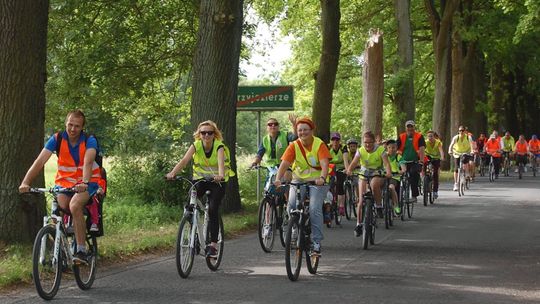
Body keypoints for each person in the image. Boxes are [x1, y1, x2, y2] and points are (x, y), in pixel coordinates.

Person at [19, 110, 102, 264]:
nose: (72, 129)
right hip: (64, 183)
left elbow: (89, 162)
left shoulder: (90, 140)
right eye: (70, 124)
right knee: (63, 206)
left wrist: (84, 182)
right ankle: (64, 241)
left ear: (82, 127)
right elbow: (39, 161)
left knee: (75, 205)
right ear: (65, 123)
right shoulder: (57, 139)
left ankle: (81, 250)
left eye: (77, 126)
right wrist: (26, 182)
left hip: (88, 183)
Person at [166, 120, 235, 258]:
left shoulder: (219, 147)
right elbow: (184, 160)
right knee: (190, 204)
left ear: (214, 134)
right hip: (200, 180)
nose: (206, 135)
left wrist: (220, 175)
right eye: (203, 133)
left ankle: (213, 245)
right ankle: (193, 235)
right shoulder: (196, 145)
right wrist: (173, 173)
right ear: (199, 134)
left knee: (212, 209)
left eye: (210, 133)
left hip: (217, 182)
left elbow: (221, 164)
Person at [274, 117, 330, 256]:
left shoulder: (319, 144)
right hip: (298, 179)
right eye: (300, 130)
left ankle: (316, 242)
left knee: (314, 208)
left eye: (305, 130)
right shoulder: (293, 145)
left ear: (311, 131)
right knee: (291, 205)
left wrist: (322, 178)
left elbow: (324, 164)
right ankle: (294, 229)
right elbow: (285, 164)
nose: (302, 132)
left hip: (317, 181)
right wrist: (277, 179)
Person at [346, 131, 392, 237]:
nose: (367, 144)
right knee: (361, 200)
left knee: (374, 184)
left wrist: (388, 172)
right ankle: (359, 224)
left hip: (376, 172)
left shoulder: (380, 150)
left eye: (370, 142)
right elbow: (354, 162)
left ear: (374, 142)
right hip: (364, 173)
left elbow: (386, 163)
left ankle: (378, 205)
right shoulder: (360, 150)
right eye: (365, 142)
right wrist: (349, 170)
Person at [396, 120, 426, 203]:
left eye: (411, 126)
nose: (410, 128)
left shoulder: (419, 136)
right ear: (406, 128)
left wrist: (421, 161)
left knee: (413, 174)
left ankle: (414, 196)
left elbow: (422, 149)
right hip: (403, 161)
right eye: (408, 127)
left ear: (414, 127)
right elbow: (395, 147)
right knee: (398, 175)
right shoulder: (401, 136)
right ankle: (397, 196)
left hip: (415, 160)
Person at [327, 132, 349, 220]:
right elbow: (325, 160)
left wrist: (347, 169)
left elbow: (345, 160)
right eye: (333, 140)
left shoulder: (343, 148)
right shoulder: (328, 147)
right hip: (330, 169)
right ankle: (328, 205)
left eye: (337, 140)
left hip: (341, 168)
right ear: (331, 141)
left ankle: (341, 206)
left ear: (340, 141)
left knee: (340, 184)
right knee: (328, 185)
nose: (335, 142)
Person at [448, 125, 475, 191]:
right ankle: (456, 184)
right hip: (457, 153)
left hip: (466, 152)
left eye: (462, 130)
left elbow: (471, 145)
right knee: (456, 168)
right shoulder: (456, 137)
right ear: (458, 131)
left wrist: (472, 151)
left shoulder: (468, 137)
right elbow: (451, 145)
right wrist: (449, 150)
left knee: (465, 163)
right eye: (460, 130)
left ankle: (467, 173)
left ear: (465, 131)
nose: (461, 132)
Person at [424, 130, 445, 199]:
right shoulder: (425, 142)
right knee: (424, 166)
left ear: (434, 136)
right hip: (428, 156)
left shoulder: (438, 142)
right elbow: (422, 150)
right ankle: (424, 179)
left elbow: (441, 150)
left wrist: (442, 157)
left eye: (431, 136)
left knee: (435, 174)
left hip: (436, 158)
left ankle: (435, 191)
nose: (430, 138)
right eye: (429, 136)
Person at [385, 140, 402, 215]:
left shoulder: (398, 157)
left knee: (391, 187)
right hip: (384, 176)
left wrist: (401, 171)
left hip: (394, 177)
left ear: (396, 148)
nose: (391, 149)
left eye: (393, 147)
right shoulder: (384, 156)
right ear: (387, 148)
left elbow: (403, 168)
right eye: (389, 147)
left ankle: (396, 206)